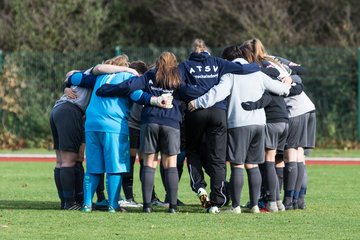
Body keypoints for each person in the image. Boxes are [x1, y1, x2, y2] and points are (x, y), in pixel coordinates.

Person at [188, 45, 290, 213]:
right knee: (253, 165)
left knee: (237, 165)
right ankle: (255, 206)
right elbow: (280, 89)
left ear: (227, 60)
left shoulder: (230, 74)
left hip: (239, 124)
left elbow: (217, 93)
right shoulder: (257, 73)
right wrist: (287, 83)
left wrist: (197, 103)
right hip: (259, 123)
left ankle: (235, 206)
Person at [66, 54, 171, 213]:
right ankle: (113, 204)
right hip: (113, 125)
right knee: (114, 167)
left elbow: (73, 79)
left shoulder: (101, 76)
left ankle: (87, 205)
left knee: (93, 167)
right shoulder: (127, 75)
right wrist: (157, 100)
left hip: (92, 124)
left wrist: (68, 81)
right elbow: (137, 95)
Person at [177, 39, 260, 213]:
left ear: (193, 51)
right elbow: (243, 69)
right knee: (218, 158)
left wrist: (197, 95)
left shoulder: (185, 65)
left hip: (195, 113)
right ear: (207, 50)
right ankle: (218, 199)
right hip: (218, 113)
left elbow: (179, 87)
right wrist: (259, 65)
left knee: (192, 152)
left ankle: (200, 189)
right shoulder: (217, 62)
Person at [96, 52, 183, 213]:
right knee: (170, 164)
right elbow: (189, 92)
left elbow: (129, 86)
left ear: (158, 62)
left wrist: (106, 90)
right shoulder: (179, 76)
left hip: (150, 121)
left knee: (149, 163)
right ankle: (173, 206)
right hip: (171, 122)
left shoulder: (150, 74)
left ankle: (147, 206)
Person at [240, 38, 315, 210]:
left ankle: (283, 200)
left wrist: (288, 82)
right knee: (297, 155)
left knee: (283, 157)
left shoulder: (260, 66)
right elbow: (301, 70)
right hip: (305, 108)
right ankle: (296, 200)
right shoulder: (274, 59)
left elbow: (291, 86)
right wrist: (291, 77)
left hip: (293, 110)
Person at [50, 70, 91, 210]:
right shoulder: (95, 75)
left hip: (59, 110)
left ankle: (70, 201)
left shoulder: (86, 78)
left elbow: (68, 77)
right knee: (68, 160)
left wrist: (66, 86)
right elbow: (70, 75)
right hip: (69, 111)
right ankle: (69, 203)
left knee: (63, 160)